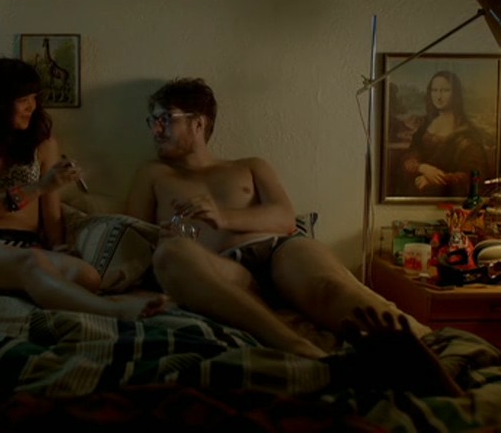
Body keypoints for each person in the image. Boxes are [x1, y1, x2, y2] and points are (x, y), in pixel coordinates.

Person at [126, 78, 461, 397]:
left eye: (165, 119)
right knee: (170, 254)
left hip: (278, 251)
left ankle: (424, 349)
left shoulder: (250, 166)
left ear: (198, 123)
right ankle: (304, 351)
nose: (156, 130)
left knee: (330, 287)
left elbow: (285, 218)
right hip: (221, 269)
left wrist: (223, 217)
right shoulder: (153, 174)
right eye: (152, 121)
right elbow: (132, 236)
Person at [0, 58, 164, 321]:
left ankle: (26, 282)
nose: (32, 107)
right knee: (31, 262)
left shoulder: (42, 145)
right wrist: (39, 187)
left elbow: (51, 212)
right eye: (23, 100)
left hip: (25, 244)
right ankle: (114, 311)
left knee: (87, 276)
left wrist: (58, 246)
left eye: (34, 98)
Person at [398, 70, 491, 197]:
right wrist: (423, 168)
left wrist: (436, 179)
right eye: (434, 90)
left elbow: (475, 175)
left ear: (455, 94)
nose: (438, 96)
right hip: (417, 194)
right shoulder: (426, 125)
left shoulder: (466, 133)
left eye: (445, 90)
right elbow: (409, 156)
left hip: (449, 197)